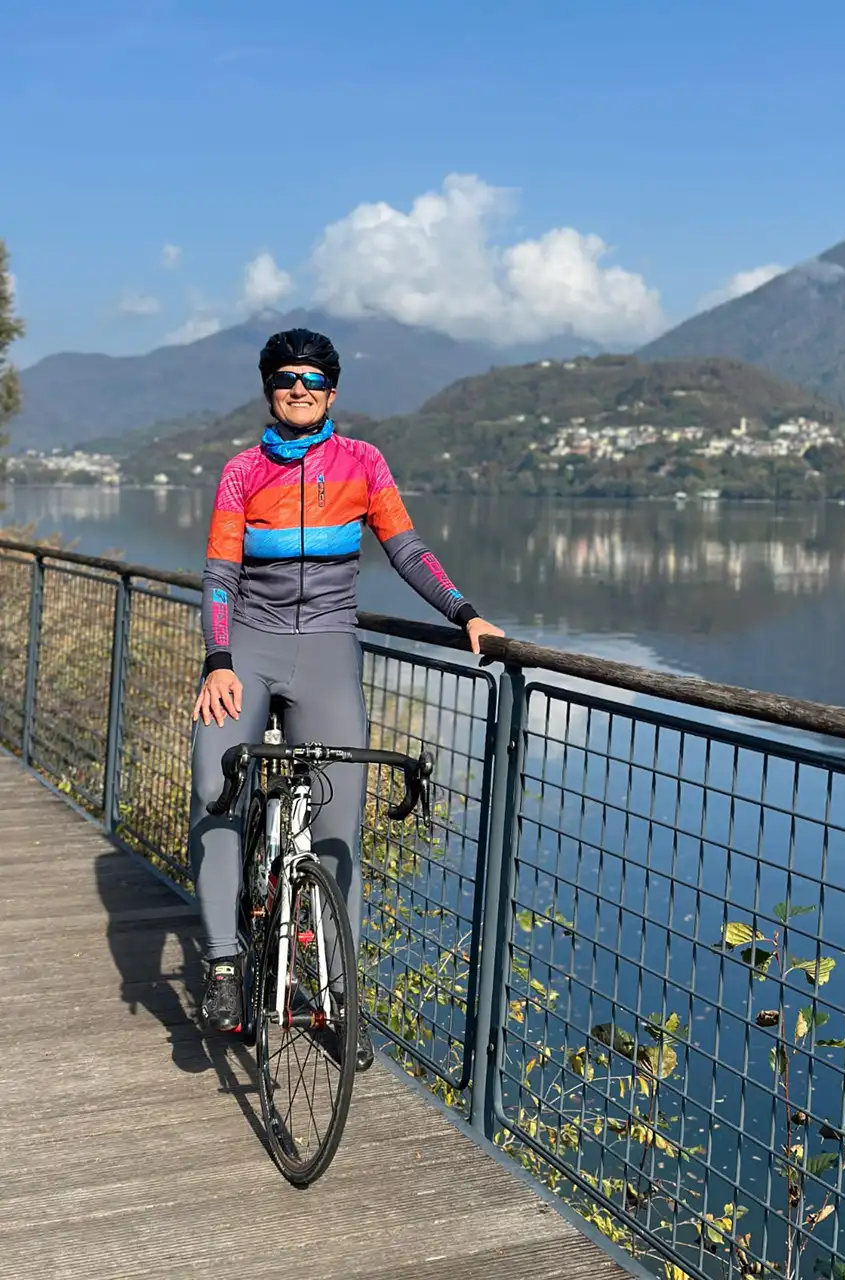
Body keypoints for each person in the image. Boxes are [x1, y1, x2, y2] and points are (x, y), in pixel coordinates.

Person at [189, 327, 505, 1069]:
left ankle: (334, 1001)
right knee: (213, 785)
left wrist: (465, 612)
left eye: (313, 378)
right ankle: (225, 964)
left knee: (338, 834)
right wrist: (218, 660)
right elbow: (217, 576)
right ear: (269, 388)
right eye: (285, 377)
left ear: (332, 391)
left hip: (329, 649)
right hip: (250, 651)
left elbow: (406, 549)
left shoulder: (364, 465)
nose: (299, 388)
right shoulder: (240, 472)